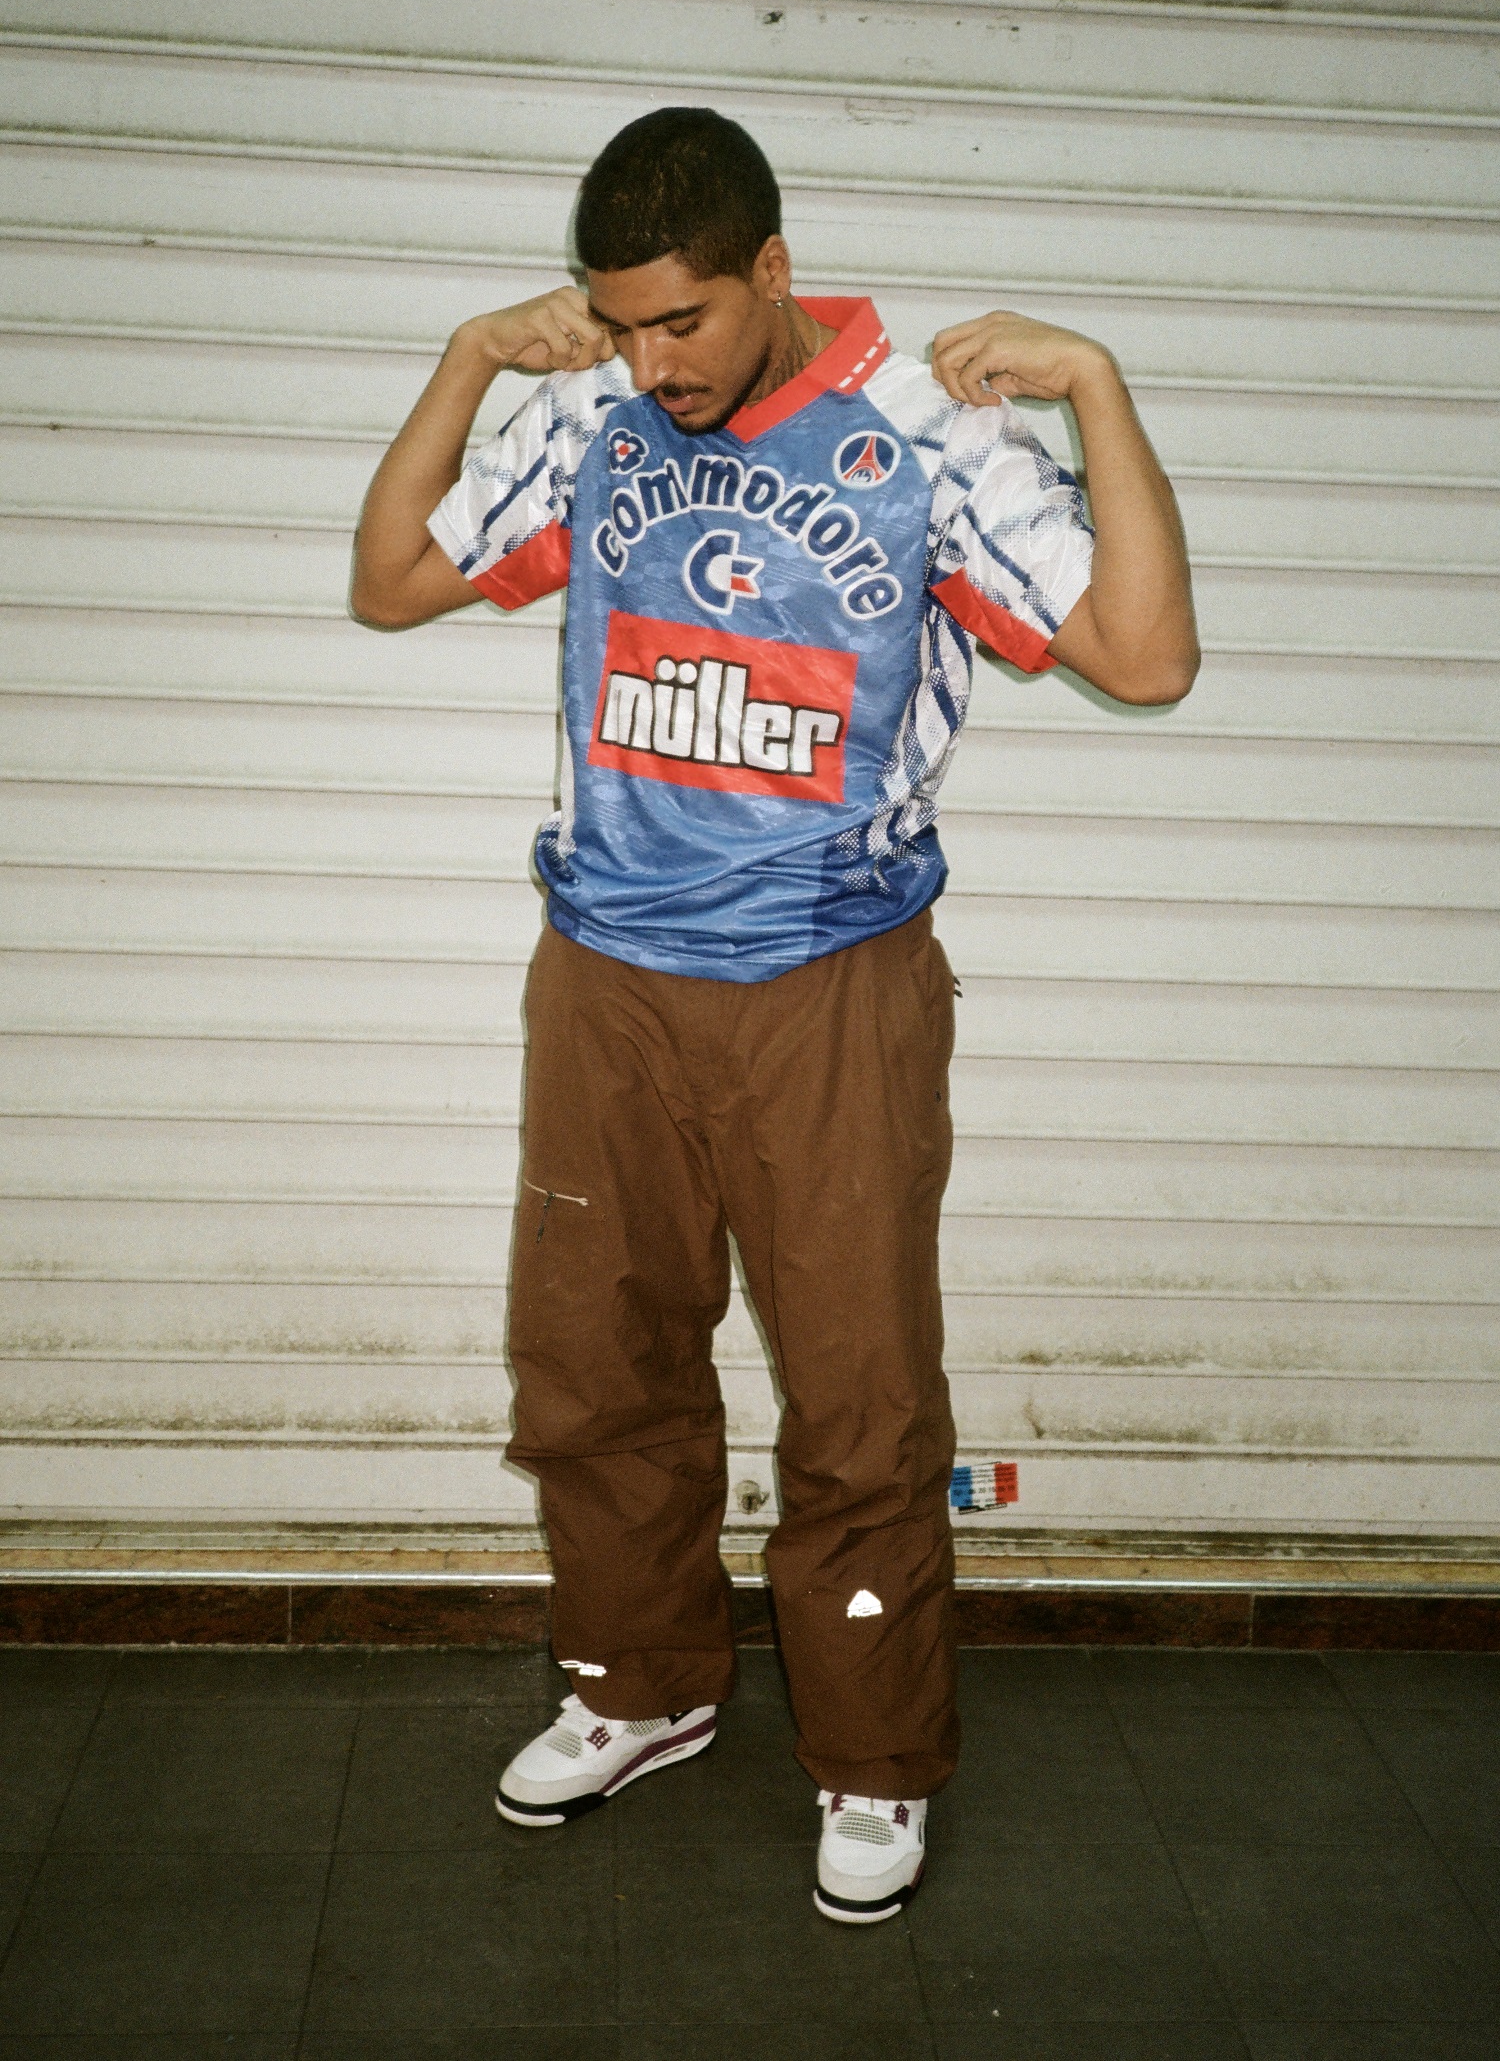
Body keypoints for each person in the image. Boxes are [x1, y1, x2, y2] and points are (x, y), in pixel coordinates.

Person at [352, 106, 1197, 1923]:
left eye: (684, 321)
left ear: (773, 271)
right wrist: (476, 355)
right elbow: (393, 576)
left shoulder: (928, 435)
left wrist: (1097, 389)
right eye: (620, 322)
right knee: (596, 1364)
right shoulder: (598, 418)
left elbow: (1147, 655)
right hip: (607, 974)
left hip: (830, 984)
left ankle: (874, 1757)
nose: (653, 362)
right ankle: (640, 1683)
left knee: (861, 1398)